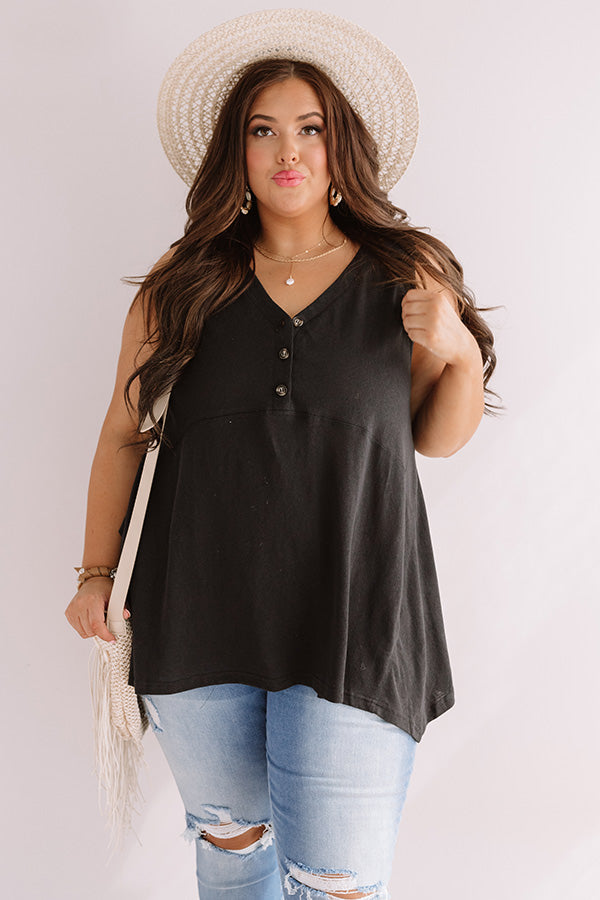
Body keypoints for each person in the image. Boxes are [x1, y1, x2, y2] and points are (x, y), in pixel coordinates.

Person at [65, 9, 499, 899]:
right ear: (237, 152)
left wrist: (457, 351)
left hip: (356, 615)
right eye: (262, 131)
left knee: (336, 880)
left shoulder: (405, 273)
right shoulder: (183, 284)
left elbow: (435, 438)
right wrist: (95, 574)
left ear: (342, 148)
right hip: (198, 614)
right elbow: (122, 432)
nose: (287, 150)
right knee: (235, 852)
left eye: (311, 128)